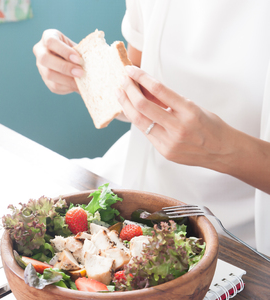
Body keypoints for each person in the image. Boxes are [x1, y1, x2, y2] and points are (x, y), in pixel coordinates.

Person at [32, 0, 270, 257]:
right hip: (139, 191)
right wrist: (79, 74)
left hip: (243, 236)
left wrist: (224, 150)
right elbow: (139, 89)